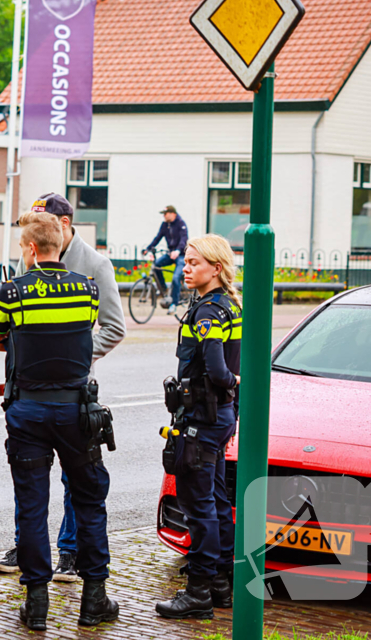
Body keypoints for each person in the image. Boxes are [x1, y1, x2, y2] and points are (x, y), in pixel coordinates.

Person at [0, 214, 119, 631]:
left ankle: (37, 601)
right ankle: (94, 598)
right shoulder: (87, 289)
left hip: (28, 411)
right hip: (77, 411)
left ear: (29, 249)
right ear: (60, 245)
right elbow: (85, 332)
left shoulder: (13, 292)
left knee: (32, 506)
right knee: (89, 501)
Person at [155, 234, 241, 620]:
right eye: (185, 262)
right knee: (219, 500)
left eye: (194, 263)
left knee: (198, 503)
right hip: (220, 416)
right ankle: (221, 582)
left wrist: (232, 382)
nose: (185, 269)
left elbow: (218, 370)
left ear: (216, 268)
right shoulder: (229, 306)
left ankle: (199, 592)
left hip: (202, 418)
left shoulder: (208, 312)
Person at [145, 205, 189, 314]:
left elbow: (184, 239)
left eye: (165, 214)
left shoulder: (181, 224)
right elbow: (158, 237)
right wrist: (148, 248)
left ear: (172, 213)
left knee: (175, 277)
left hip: (181, 255)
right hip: (170, 254)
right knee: (156, 266)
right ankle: (164, 290)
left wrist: (178, 250)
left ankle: (174, 303)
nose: (164, 216)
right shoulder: (165, 225)